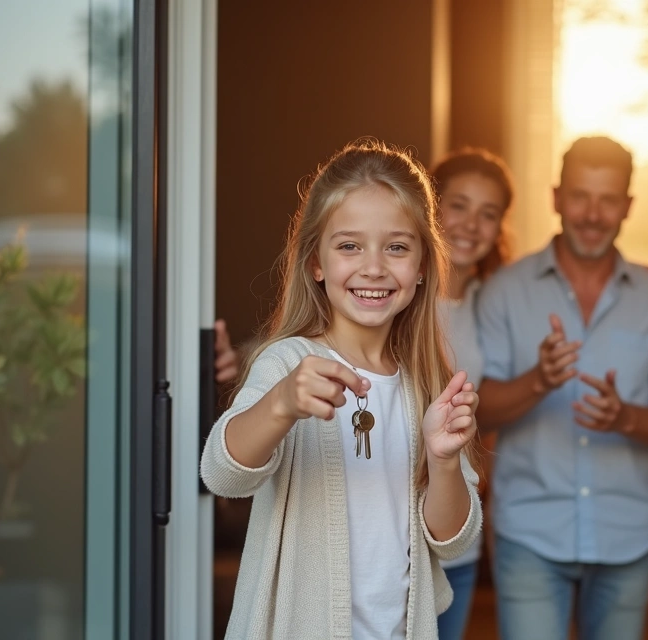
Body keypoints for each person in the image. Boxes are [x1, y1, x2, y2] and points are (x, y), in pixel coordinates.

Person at [200, 139, 483, 640]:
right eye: (349, 245)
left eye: (396, 247)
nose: (373, 267)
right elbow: (223, 476)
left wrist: (442, 462)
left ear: (421, 269)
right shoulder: (289, 363)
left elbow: (452, 541)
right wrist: (282, 403)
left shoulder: (426, 383)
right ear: (316, 262)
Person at [475, 136, 648, 640]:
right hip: (530, 531)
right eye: (580, 196)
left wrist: (628, 419)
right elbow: (478, 409)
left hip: (628, 533)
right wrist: (539, 381)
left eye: (608, 199)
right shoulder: (505, 291)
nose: (593, 214)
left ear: (628, 206)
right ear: (555, 197)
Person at [429, 147, 515, 640]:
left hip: (461, 539)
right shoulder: (391, 297)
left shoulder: (493, 302)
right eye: (458, 205)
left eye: (489, 213)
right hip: (395, 538)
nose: (471, 225)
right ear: (430, 206)